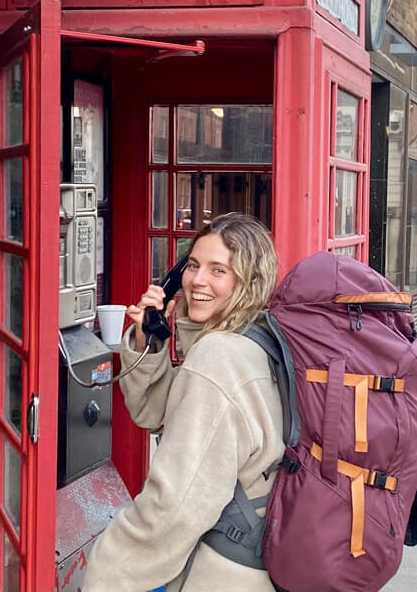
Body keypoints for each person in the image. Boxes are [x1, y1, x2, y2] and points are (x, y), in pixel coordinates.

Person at [83, 213, 283, 592]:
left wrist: (111, 563)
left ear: (248, 281)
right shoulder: (257, 336)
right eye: (192, 265)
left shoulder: (218, 358)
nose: (197, 281)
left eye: (218, 270)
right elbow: (159, 414)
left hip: (216, 569)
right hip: (254, 557)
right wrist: (150, 339)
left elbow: (178, 504)